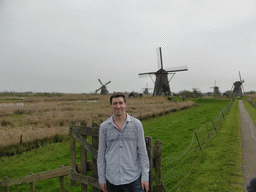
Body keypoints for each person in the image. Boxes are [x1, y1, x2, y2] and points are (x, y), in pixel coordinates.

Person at [97, 92, 150, 192]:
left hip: (133, 176)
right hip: (112, 178)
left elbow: (142, 152)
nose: (118, 106)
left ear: (125, 104)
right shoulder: (104, 127)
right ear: (111, 106)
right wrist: (101, 178)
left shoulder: (136, 124)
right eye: (115, 103)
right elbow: (101, 154)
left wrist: (145, 177)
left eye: (121, 103)